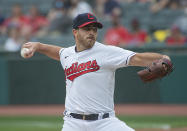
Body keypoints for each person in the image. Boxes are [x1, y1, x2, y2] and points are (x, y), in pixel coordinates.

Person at [21, 13, 171, 131]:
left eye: (94, 29)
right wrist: (38, 46)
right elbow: (58, 52)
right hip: (73, 124)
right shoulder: (67, 54)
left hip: (105, 123)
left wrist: (163, 57)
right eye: (87, 29)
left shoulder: (106, 52)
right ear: (75, 32)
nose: (92, 32)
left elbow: (137, 58)